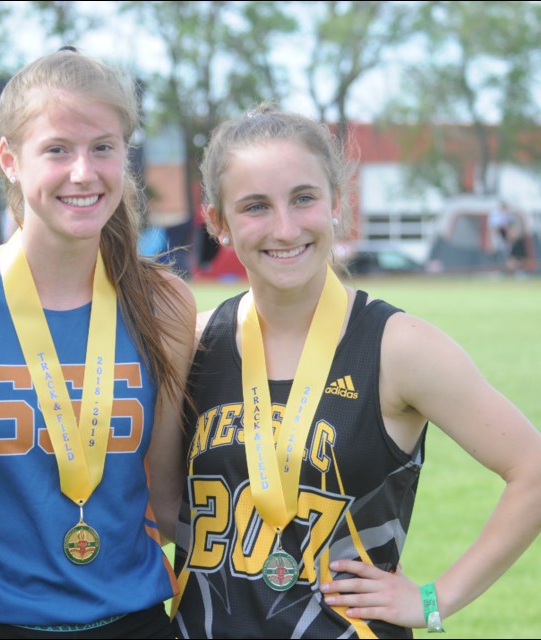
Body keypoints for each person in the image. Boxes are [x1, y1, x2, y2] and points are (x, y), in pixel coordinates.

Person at [169, 104, 541, 638]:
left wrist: (434, 601)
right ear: (218, 223)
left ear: (337, 204)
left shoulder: (397, 347)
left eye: (304, 198)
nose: (285, 227)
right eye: (255, 206)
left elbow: (532, 469)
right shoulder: (194, 343)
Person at [0, 48, 196, 639]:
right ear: (10, 158)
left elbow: (164, 497)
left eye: (103, 147)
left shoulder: (163, 303)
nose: (84, 172)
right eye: (57, 149)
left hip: (134, 623)